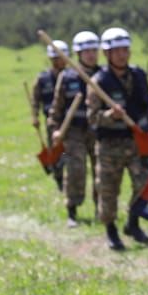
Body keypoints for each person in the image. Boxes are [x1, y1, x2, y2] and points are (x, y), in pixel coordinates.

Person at [88, 26, 148, 252]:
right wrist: (110, 115)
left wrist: (145, 127)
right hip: (109, 145)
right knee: (108, 190)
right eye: (116, 51)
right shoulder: (98, 82)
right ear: (107, 54)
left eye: (125, 50)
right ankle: (111, 231)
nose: (122, 55)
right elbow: (92, 118)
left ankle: (133, 223)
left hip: (136, 141)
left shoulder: (139, 76)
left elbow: (147, 105)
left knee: (144, 184)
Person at [50, 30, 102, 227]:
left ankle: (101, 210)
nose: (91, 55)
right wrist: (55, 129)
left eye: (94, 51)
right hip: (73, 132)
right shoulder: (67, 76)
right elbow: (57, 107)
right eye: (86, 51)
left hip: (98, 130)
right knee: (75, 169)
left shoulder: (103, 75)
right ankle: (72, 211)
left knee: (101, 171)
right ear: (78, 54)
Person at [34, 39, 70, 191]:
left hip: (70, 121)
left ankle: (69, 177)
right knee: (55, 151)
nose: (59, 61)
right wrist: (34, 116)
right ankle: (59, 178)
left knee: (69, 151)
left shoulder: (71, 77)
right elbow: (36, 100)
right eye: (55, 58)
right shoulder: (42, 79)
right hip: (52, 122)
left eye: (61, 58)